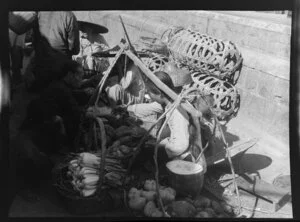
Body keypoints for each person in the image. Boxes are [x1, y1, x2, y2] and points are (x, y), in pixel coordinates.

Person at [29, 11, 80, 92]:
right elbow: (74, 49)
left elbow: (34, 42)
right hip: (60, 72)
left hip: (40, 70)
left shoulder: (39, 13)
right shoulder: (69, 15)